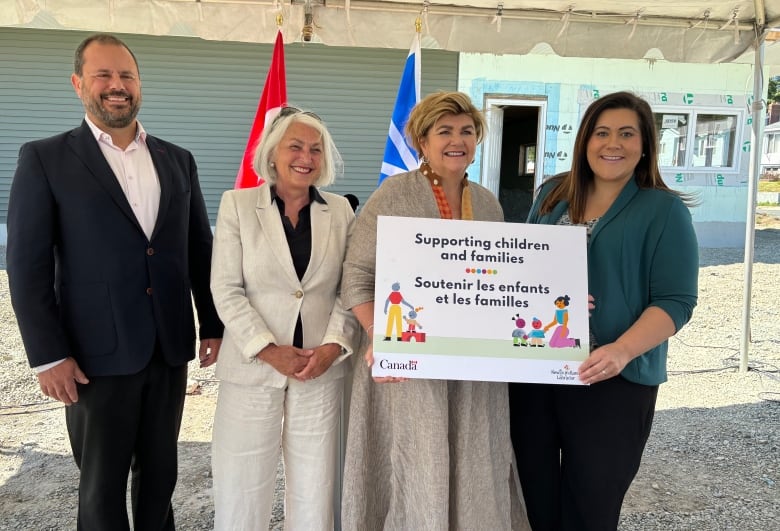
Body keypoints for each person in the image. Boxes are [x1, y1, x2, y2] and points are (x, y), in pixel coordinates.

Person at [6, 33, 223, 529]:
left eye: (126, 75)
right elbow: (27, 264)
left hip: (167, 349)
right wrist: (48, 354)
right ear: (78, 83)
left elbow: (198, 250)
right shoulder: (44, 159)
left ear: (139, 84)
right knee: (101, 488)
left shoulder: (177, 159)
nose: (116, 86)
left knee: (161, 478)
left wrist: (212, 322)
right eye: (103, 75)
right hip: (91, 358)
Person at [508, 91, 699, 530]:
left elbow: (675, 301)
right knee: (531, 496)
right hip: (539, 372)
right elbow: (526, 269)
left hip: (613, 379)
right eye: (602, 132)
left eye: (627, 134)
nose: (613, 144)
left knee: (591, 506)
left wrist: (621, 351)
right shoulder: (553, 194)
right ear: (585, 141)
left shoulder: (663, 211)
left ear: (645, 144)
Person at [340, 91, 530, 530]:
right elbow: (357, 275)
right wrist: (379, 337)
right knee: (417, 462)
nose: (457, 140)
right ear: (422, 141)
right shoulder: (394, 194)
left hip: (475, 369)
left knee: (475, 462)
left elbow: (505, 281)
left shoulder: (487, 203)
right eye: (444, 131)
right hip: (411, 367)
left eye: (467, 131)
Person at [209, 106, 359, 530]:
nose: (306, 157)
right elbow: (226, 288)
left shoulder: (341, 212)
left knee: (318, 485)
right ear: (273, 153)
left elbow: (351, 288)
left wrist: (334, 346)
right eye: (295, 146)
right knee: (242, 484)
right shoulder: (237, 205)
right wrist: (268, 349)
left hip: (320, 369)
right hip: (254, 368)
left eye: (316, 149)